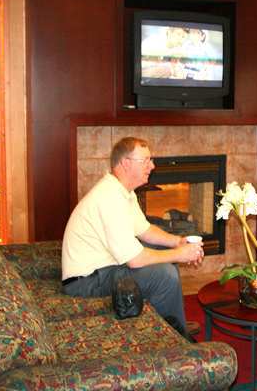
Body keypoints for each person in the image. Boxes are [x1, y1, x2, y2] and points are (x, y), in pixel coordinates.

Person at [62, 137, 203, 336]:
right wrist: (180, 254)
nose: (152, 166)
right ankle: (176, 336)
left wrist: (177, 242)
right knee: (164, 275)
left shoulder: (123, 192)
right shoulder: (109, 197)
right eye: (145, 160)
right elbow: (135, 260)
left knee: (165, 252)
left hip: (103, 269)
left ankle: (172, 321)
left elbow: (145, 230)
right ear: (126, 163)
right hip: (85, 282)